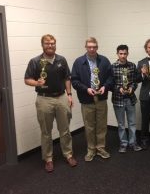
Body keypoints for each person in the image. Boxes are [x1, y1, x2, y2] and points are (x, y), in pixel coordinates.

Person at [24, 34, 77, 173]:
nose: (50, 46)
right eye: (47, 44)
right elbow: (27, 79)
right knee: (46, 132)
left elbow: (67, 78)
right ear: (42, 45)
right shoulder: (35, 61)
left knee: (65, 130)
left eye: (53, 43)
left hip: (61, 98)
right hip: (44, 99)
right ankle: (48, 159)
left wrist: (69, 95)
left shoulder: (61, 60)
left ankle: (68, 155)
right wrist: (37, 83)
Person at [71, 37, 112, 161]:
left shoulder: (104, 61)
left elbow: (111, 77)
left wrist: (105, 86)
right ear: (86, 47)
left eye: (94, 46)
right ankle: (91, 150)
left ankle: (100, 148)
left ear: (97, 47)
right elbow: (74, 81)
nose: (92, 49)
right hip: (86, 99)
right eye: (89, 46)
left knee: (101, 125)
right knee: (89, 126)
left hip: (101, 98)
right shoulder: (78, 62)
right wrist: (86, 89)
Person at [111, 44, 142, 153]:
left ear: (128, 54)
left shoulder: (132, 66)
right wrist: (118, 88)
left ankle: (133, 143)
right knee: (121, 124)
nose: (123, 56)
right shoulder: (112, 67)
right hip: (118, 99)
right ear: (117, 54)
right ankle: (123, 143)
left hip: (130, 99)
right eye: (121, 53)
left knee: (132, 123)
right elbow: (110, 83)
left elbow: (135, 81)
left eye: (125, 53)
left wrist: (132, 88)